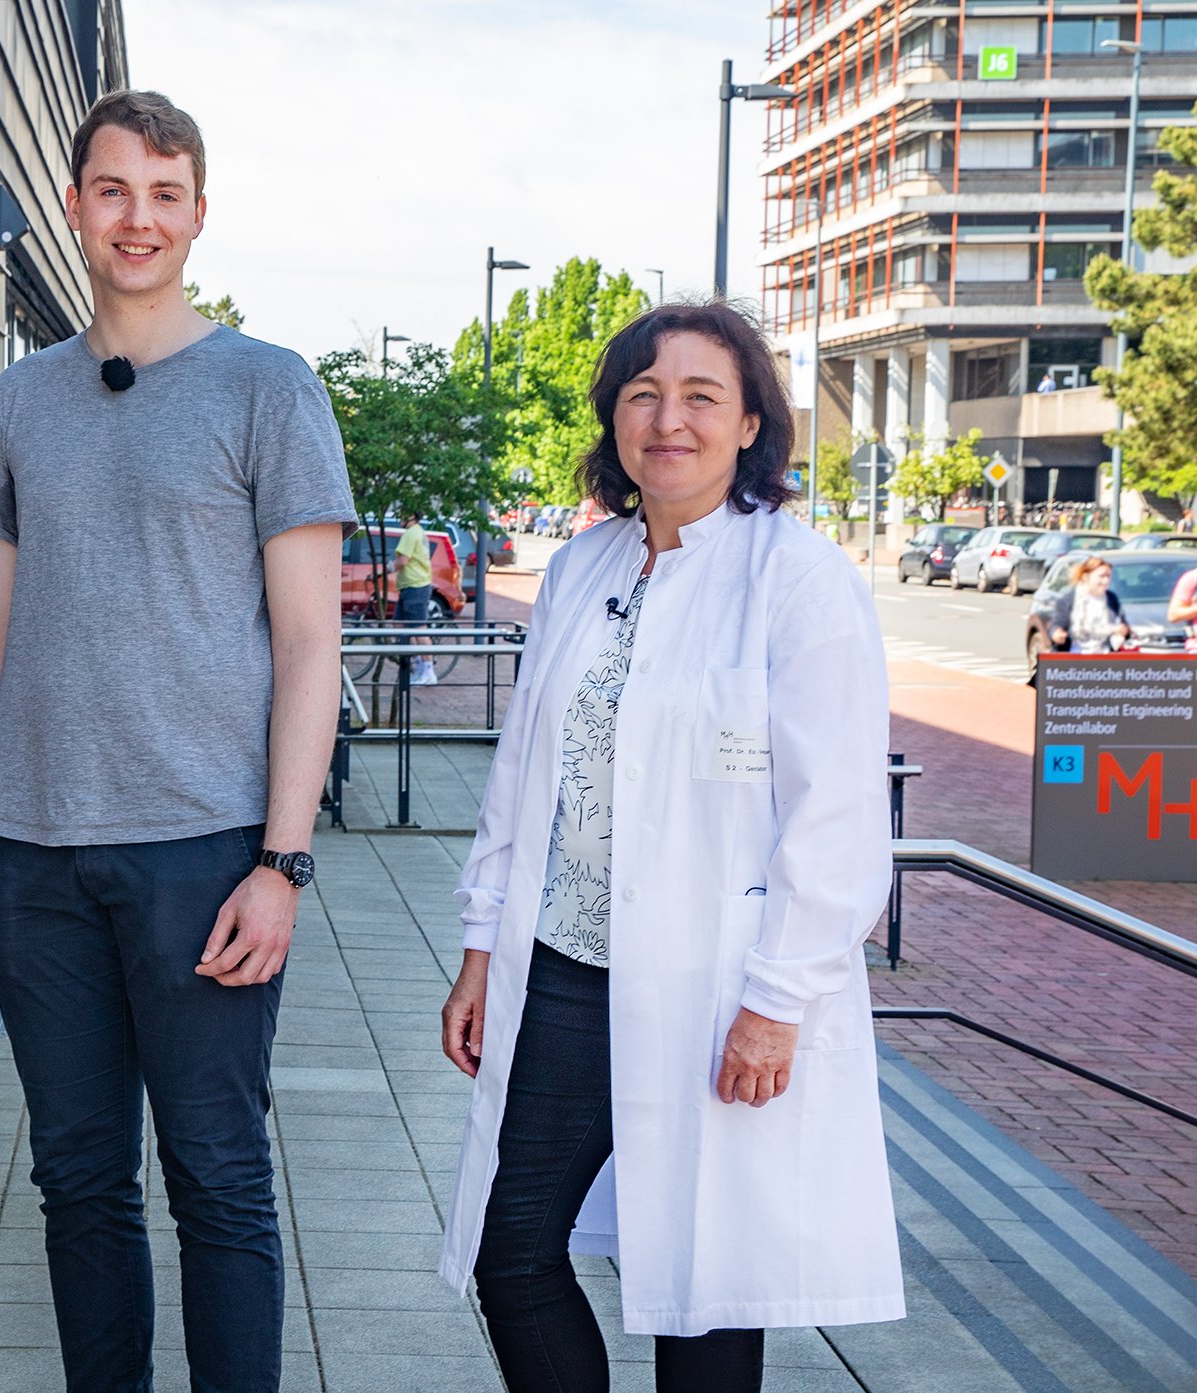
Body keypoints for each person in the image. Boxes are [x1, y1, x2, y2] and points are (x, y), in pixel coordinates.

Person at [0, 89, 352, 1393]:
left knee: (218, 1176)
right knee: (76, 1179)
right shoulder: (18, 404)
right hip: (35, 862)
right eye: (113, 190)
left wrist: (280, 865)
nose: (138, 218)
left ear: (196, 214)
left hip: (205, 856)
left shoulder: (268, 389)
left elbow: (308, 646)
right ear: (73, 204)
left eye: (164, 194)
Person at [436, 301, 903, 1393]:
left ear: (748, 424)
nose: (667, 418)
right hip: (560, 961)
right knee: (510, 1249)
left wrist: (778, 998)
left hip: (713, 981)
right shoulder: (580, 567)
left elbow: (834, 815)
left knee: (704, 1286)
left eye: (700, 395)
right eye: (642, 392)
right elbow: (522, 776)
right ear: (613, 416)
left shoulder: (797, 579)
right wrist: (477, 944)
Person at [396, 509, 438, 684]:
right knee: (402, 626)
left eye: (401, 514)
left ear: (410, 515)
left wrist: (386, 569)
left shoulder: (411, 534)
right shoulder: (419, 532)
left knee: (419, 629)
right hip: (412, 585)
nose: (399, 517)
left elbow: (403, 561)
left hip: (415, 586)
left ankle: (428, 671)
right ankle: (419, 666)